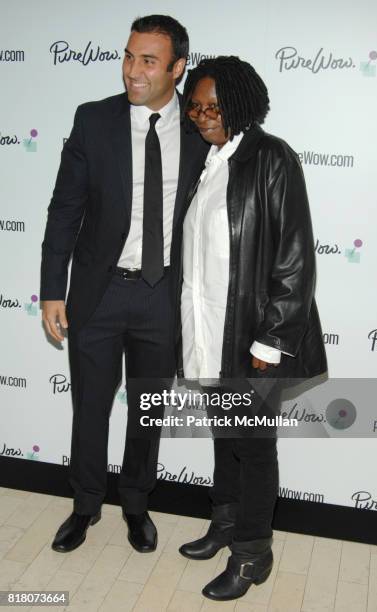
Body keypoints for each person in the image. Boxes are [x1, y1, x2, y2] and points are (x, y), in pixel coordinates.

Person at [40, 15, 208, 555]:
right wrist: (51, 288)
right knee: (89, 407)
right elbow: (65, 210)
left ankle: (136, 504)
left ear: (177, 68)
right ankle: (85, 505)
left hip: (164, 296)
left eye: (149, 61)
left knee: (148, 409)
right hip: (99, 291)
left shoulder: (202, 127)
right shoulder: (93, 120)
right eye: (130, 56)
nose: (133, 71)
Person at [178, 56, 327, 601]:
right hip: (211, 332)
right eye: (195, 105)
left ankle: (253, 554)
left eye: (213, 106)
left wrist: (272, 341)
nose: (201, 115)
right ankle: (225, 523)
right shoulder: (209, 159)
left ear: (241, 103)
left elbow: (294, 258)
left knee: (254, 447)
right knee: (226, 438)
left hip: (253, 336)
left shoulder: (271, 158)